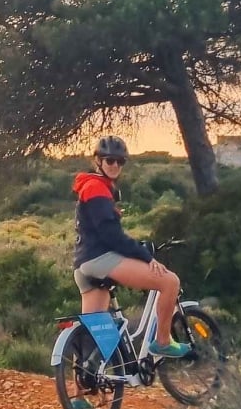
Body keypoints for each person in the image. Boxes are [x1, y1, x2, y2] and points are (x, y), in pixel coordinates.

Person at [72, 136, 190, 359]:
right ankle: (163, 342)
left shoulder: (90, 186)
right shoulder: (96, 188)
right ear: (98, 161)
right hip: (100, 259)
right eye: (110, 160)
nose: (115, 165)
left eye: (120, 161)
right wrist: (145, 256)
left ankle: (82, 380)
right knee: (170, 282)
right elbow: (111, 236)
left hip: (83, 263)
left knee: (94, 332)